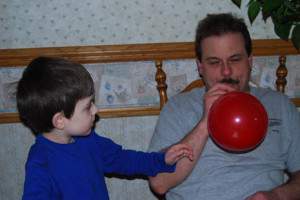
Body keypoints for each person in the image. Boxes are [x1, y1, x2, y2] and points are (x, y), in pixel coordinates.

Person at [148, 13, 300, 200]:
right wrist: (205, 122)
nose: (226, 71)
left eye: (235, 59)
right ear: (200, 67)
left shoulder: (280, 105)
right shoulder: (178, 108)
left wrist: (277, 195)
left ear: (250, 61)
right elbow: (159, 183)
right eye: (214, 62)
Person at [17, 56, 194, 200]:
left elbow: (125, 160)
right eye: (88, 107)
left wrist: (162, 160)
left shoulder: (89, 141)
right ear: (60, 120)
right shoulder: (41, 162)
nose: (96, 110)